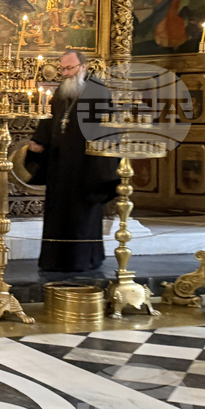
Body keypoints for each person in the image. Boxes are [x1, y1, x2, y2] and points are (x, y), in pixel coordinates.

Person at [26, 49, 120, 272]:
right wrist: (39, 141)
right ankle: (54, 261)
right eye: (63, 69)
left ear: (83, 67)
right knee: (58, 214)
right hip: (60, 166)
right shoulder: (62, 91)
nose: (65, 73)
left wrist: (101, 170)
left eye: (70, 68)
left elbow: (106, 130)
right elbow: (51, 120)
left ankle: (82, 261)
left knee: (81, 217)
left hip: (85, 167)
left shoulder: (98, 92)